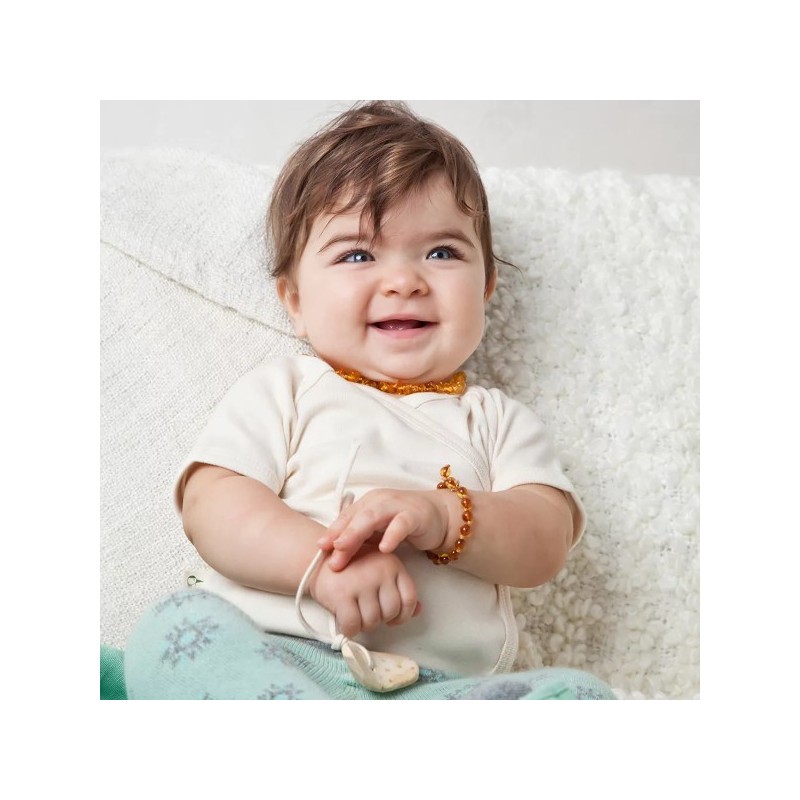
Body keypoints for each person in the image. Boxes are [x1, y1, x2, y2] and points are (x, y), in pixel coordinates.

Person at [123, 101, 616, 700]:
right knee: (173, 627)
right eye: (357, 255)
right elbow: (213, 506)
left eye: (442, 252)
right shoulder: (286, 391)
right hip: (270, 653)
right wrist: (321, 568)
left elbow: (544, 542)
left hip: (432, 689)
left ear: (486, 287)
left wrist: (444, 517)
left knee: (576, 695)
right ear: (295, 301)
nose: (404, 281)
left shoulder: (496, 423)